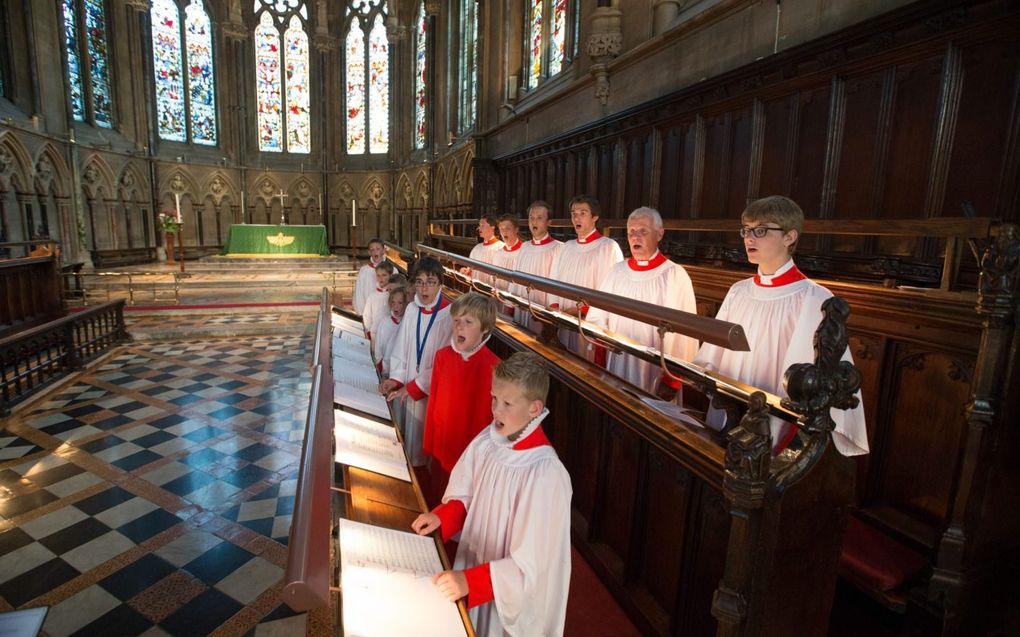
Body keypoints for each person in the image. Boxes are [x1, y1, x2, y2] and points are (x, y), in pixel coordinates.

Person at [694, 195, 869, 456]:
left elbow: (820, 382)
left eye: (761, 230)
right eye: (746, 230)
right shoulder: (739, 291)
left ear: (790, 237)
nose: (749, 238)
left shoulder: (815, 298)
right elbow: (714, 354)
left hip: (780, 427)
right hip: (732, 411)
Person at [412, 352, 571, 637]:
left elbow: (532, 565)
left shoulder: (545, 474)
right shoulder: (489, 440)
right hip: (473, 567)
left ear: (535, 408)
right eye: (493, 398)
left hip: (502, 596)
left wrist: (473, 582)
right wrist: (443, 518)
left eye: (507, 403)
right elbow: (467, 494)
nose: (496, 410)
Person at [586, 207, 698, 397]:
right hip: (617, 364)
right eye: (631, 232)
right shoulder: (617, 271)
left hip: (653, 371)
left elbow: (683, 336)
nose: (635, 237)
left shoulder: (673, 275)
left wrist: (671, 381)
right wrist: (601, 353)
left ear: (659, 233)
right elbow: (597, 316)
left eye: (643, 231)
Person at [421, 293, 501, 506]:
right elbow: (434, 403)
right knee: (437, 499)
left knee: (460, 506)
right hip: (442, 448)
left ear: (484, 328)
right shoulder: (442, 357)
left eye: (468, 322)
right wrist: (429, 445)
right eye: (456, 321)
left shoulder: (494, 367)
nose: (459, 327)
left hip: (471, 455)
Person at [380, 256, 454, 469]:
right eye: (419, 282)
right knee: (410, 443)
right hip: (407, 389)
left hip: (431, 393)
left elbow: (444, 363)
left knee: (427, 448)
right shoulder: (412, 310)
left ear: (440, 284)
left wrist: (415, 386)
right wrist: (395, 379)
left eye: (430, 282)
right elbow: (401, 348)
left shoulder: (449, 315)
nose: (424, 288)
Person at [547, 195, 623, 360]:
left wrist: (585, 310)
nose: (576, 218)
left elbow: (611, 289)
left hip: (589, 323)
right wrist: (555, 306)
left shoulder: (608, 247)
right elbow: (554, 279)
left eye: (582, 213)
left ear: (595, 217)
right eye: (574, 213)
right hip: (564, 318)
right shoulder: (567, 247)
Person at [510, 201, 563, 331]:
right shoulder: (525, 246)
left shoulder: (558, 248)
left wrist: (552, 309)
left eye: (539, 218)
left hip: (543, 309)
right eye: (531, 218)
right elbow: (516, 275)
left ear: (549, 222)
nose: (534, 222)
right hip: (522, 305)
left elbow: (557, 281)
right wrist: (511, 300)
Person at [372, 284, 409, 376]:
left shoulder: (407, 323)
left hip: (400, 373)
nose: (396, 306)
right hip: (385, 371)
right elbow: (378, 348)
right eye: (393, 302)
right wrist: (380, 366)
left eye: (400, 303)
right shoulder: (385, 322)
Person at [491, 215, 524, 315]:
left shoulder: (523, 252)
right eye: (501, 229)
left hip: (515, 302)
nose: (504, 232)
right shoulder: (498, 253)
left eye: (508, 228)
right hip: (497, 298)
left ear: (516, 230)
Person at [459, 216, 504, 286]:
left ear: (493, 227)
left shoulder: (501, 247)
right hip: (475, 288)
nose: (479, 228)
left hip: (492, 290)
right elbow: (470, 270)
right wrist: (466, 271)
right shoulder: (476, 248)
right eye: (479, 225)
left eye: (483, 225)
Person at [361, 261, 395, 338]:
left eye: (384, 275)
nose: (381, 278)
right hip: (374, 334)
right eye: (378, 275)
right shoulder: (372, 296)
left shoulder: (393, 295)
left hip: (390, 334)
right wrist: (368, 332)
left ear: (391, 275)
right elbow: (367, 316)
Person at [354, 238, 388, 314]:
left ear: (383, 251)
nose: (375, 251)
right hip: (368, 313)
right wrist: (361, 313)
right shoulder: (364, 271)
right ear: (369, 252)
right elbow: (358, 294)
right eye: (372, 250)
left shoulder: (392, 270)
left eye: (378, 249)